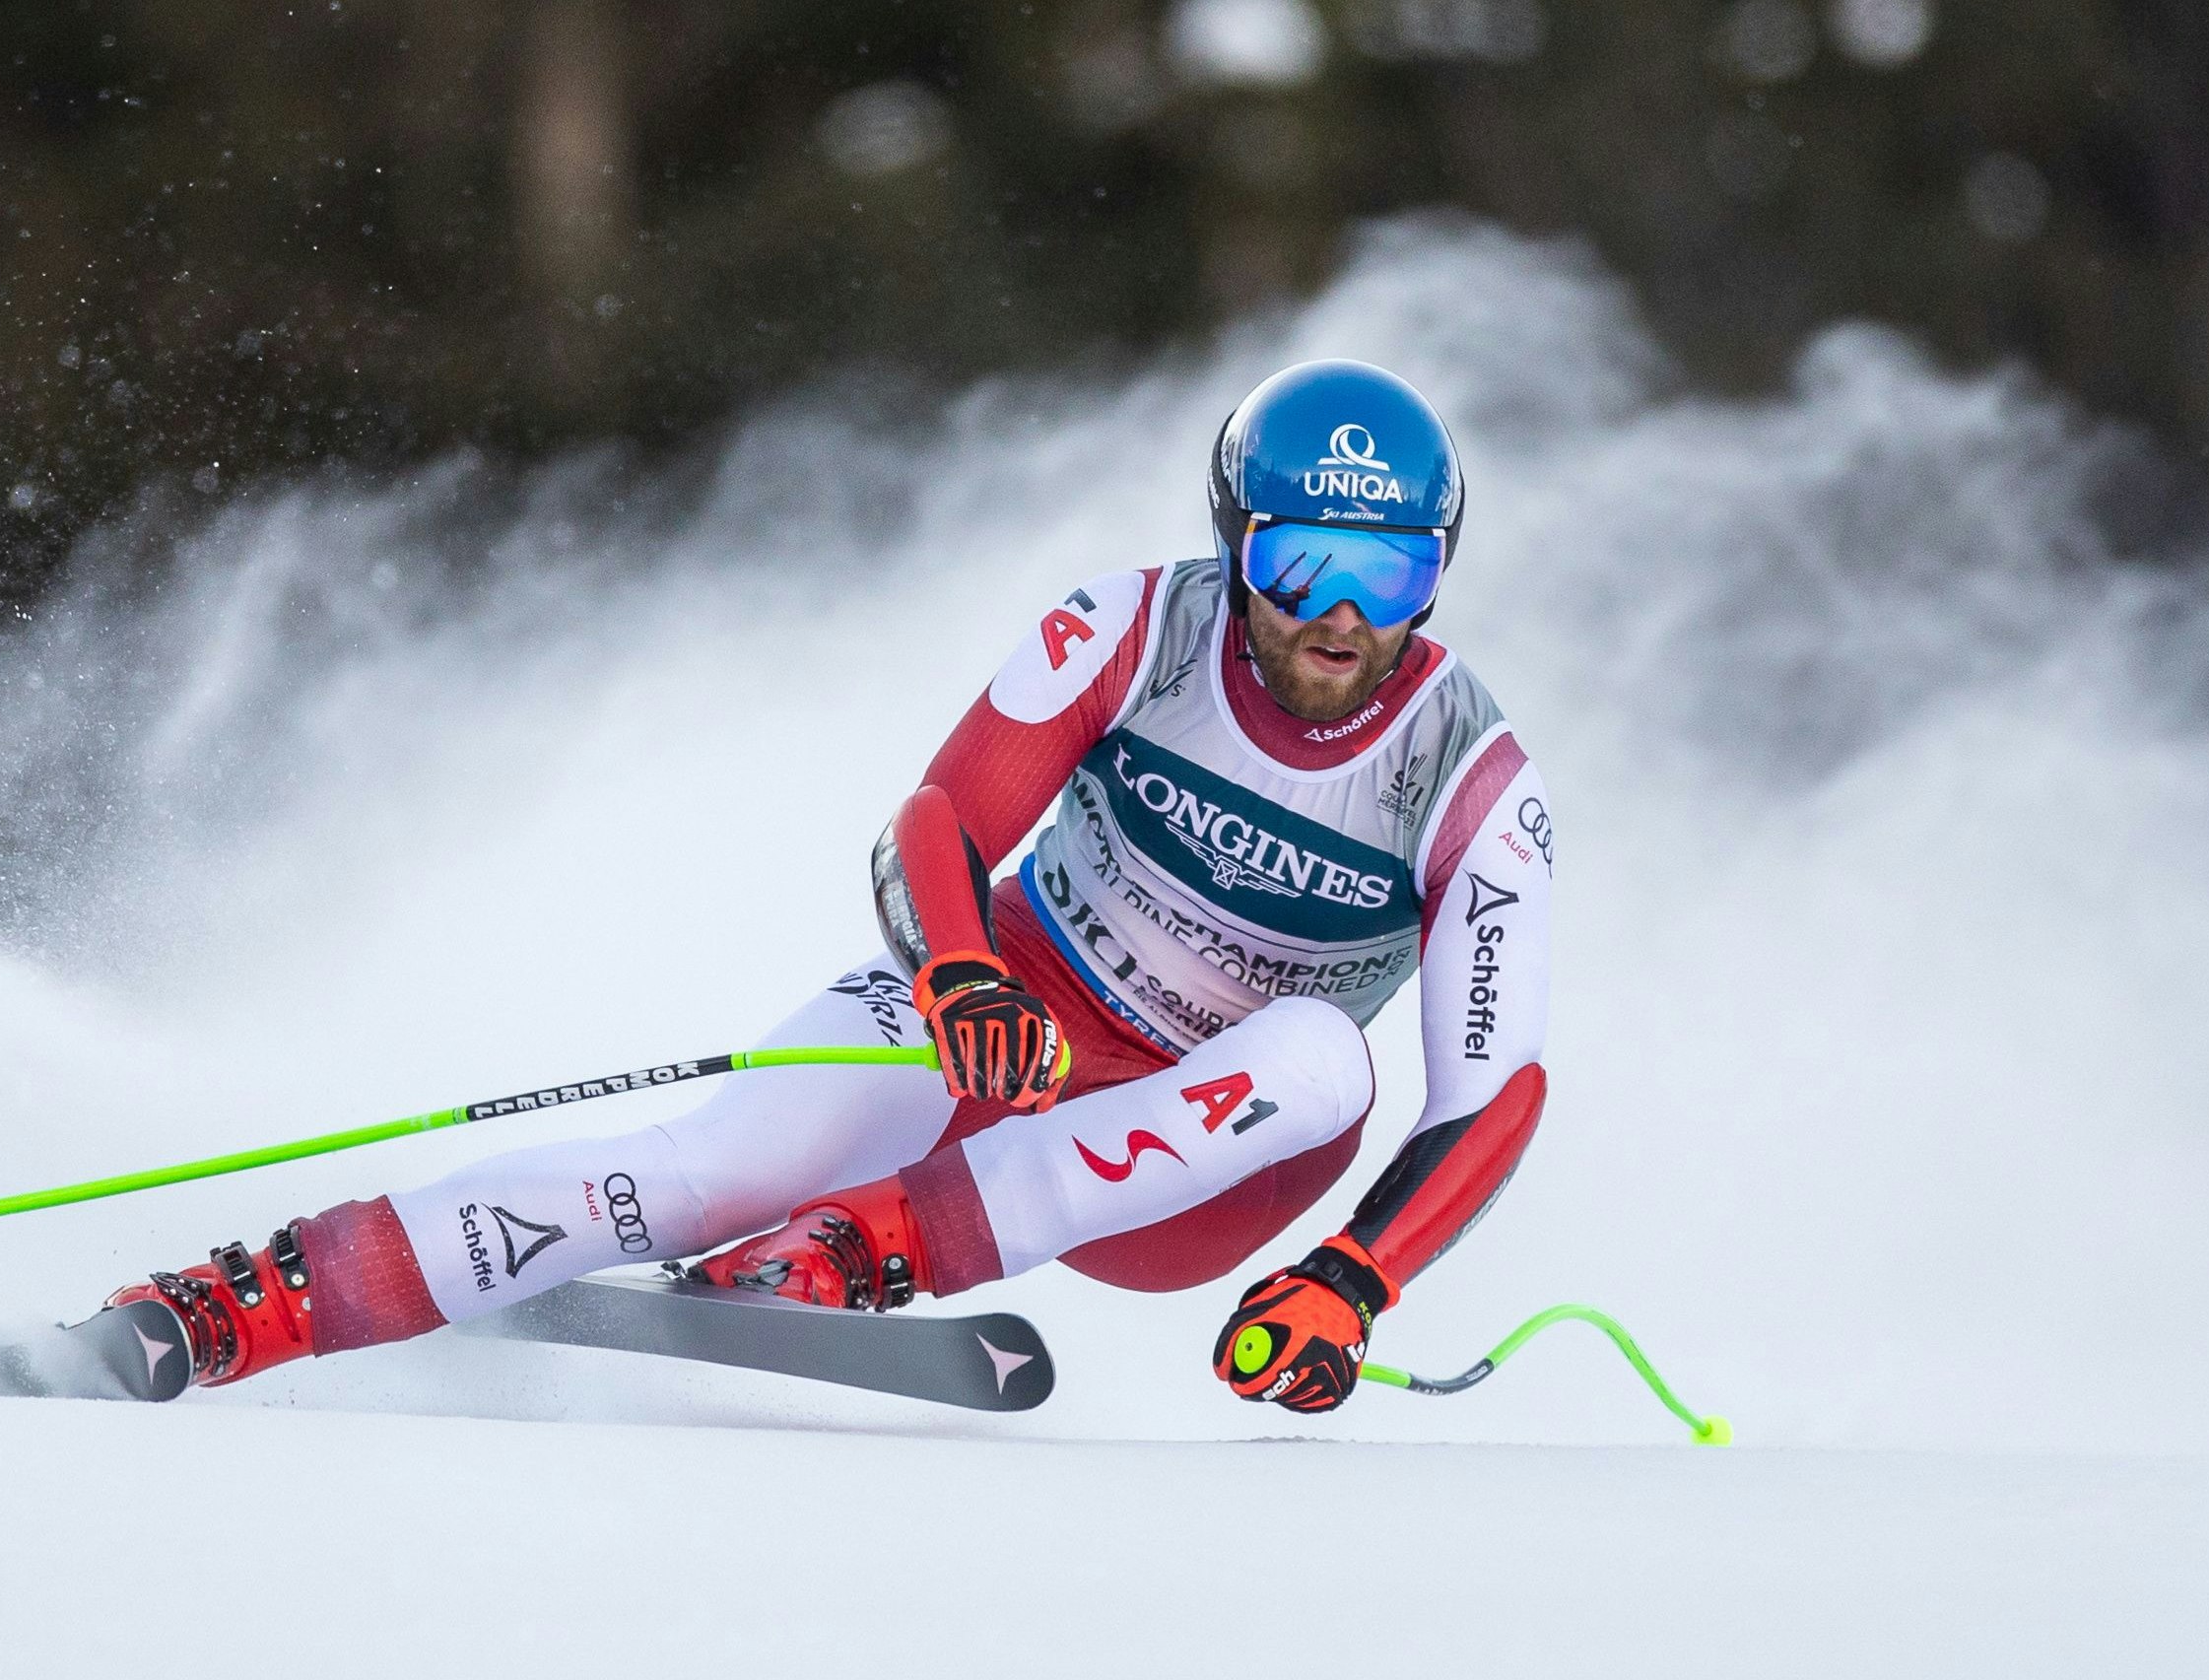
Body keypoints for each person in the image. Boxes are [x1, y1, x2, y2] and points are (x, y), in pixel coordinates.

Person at [91, 359, 1553, 1415]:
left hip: (1199, 1166)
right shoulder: (1130, 624)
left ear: (1439, 573)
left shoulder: (1475, 779)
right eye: (1302, 564)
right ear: (1241, 546)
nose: (1342, 617)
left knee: (1317, 1054)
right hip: (1014, 1032)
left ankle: (866, 1244)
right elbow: (938, 822)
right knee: (704, 1167)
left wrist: (1355, 1279)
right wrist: (959, 971)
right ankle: (246, 1301)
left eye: (1391, 572)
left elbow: (1492, 1095)